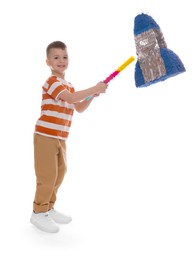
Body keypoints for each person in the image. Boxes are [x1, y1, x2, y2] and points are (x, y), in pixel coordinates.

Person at [30, 41, 108, 233]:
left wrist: (92, 96)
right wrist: (93, 88)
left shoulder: (69, 85)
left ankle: (49, 207)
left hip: (60, 137)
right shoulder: (52, 82)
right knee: (47, 176)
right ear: (48, 62)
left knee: (60, 173)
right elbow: (72, 99)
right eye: (56, 58)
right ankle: (38, 213)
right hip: (45, 135)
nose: (61, 61)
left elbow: (78, 107)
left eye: (64, 57)